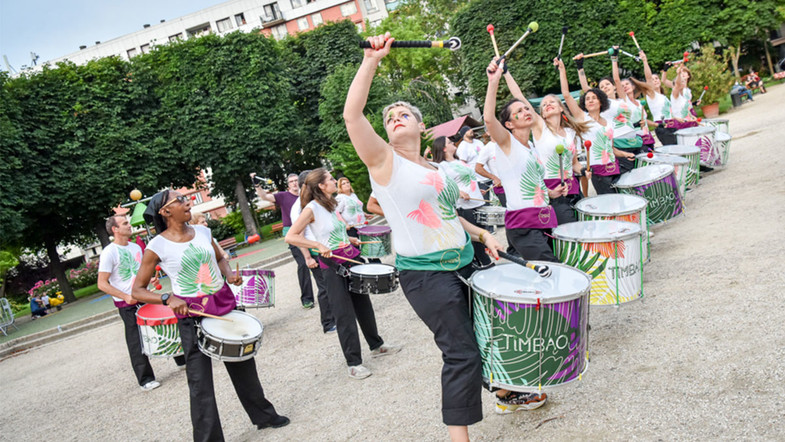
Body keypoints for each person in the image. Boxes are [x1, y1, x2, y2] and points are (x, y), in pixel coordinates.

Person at [344, 33, 525, 442]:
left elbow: (450, 216)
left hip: (465, 262)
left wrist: (483, 235)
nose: (394, 117)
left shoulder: (437, 171)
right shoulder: (383, 162)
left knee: (485, 333)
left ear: (422, 127)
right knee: (459, 351)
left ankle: (503, 390)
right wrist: (372, 60)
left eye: (404, 113)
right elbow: (353, 117)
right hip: (426, 276)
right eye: (389, 115)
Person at [132, 190, 289, 441]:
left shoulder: (203, 232)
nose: (187, 202)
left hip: (222, 301)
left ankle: (264, 416)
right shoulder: (156, 245)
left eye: (186, 198)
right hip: (191, 314)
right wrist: (167, 298)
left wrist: (229, 274)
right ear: (165, 211)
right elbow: (137, 290)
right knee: (199, 381)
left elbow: (219, 258)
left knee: (243, 362)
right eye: (180, 200)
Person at [285, 168, 401, 379]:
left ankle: (377, 345)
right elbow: (291, 236)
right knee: (344, 313)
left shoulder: (330, 204)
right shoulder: (311, 208)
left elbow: (335, 231)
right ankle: (353, 363)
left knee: (363, 305)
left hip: (351, 257)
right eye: (330, 179)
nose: (334, 181)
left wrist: (350, 239)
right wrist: (316, 246)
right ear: (321, 185)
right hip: (332, 265)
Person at [484, 57, 565, 262]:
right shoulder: (506, 143)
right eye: (518, 111)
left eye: (527, 108)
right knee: (553, 271)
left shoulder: (532, 148)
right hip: (523, 226)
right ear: (509, 124)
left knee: (550, 274)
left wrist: (550, 192)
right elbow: (488, 119)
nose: (526, 111)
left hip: (544, 218)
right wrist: (493, 83)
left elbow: (531, 184)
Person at [98, 215, 186, 392]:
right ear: (115, 229)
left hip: (145, 295)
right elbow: (102, 283)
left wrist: (149, 280)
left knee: (167, 322)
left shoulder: (136, 247)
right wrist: (125, 296)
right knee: (135, 340)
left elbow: (140, 271)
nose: (129, 226)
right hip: (127, 303)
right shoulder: (109, 252)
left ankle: (181, 358)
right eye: (125, 224)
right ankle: (145, 379)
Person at [502, 68, 589, 222]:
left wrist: (584, 171)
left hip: (573, 188)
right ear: (541, 114)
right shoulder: (540, 127)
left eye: (551, 102)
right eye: (544, 105)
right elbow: (520, 97)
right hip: (553, 189)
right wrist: (506, 72)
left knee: (584, 228)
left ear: (561, 108)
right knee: (569, 233)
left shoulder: (570, 133)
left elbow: (574, 163)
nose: (547, 104)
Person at [559, 57, 626, 194]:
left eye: (593, 98)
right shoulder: (583, 117)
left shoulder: (608, 122)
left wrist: (626, 154)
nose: (590, 100)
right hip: (599, 171)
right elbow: (566, 95)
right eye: (587, 99)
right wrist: (562, 69)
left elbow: (611, 148)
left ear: (601, 101)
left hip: (614, 166)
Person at [254, 173, 315, 309]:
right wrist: (256, 185)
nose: (294, 183)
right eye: (291, 181)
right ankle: (307, 298)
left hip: (309, 231)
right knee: (303, 264)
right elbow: (264, 196)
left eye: (295, 181)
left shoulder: (306, 195)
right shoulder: (283, 196)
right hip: (292, 233)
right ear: (288, 184)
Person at [431, 136, 493, 268]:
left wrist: (477, 189)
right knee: (476, 238)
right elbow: (443, 184)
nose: (453, 143)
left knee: (483, 233)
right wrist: (459, 192)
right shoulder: (442, 166)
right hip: (465, 206)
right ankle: (486, 264)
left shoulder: (459, 161)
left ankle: (482, 262)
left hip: (477, 201)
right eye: (449, 142)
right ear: (444, 148)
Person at [290, 170, 335, 334]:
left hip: (323, 251)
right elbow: (298, 234)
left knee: (329, 287)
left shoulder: (314, 203)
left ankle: (334, 317)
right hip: (315, 253)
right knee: (324, 288)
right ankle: (328, 322)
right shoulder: (301, 207)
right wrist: (308, 257)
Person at [474, 133, 507, 207]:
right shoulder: (487, 148)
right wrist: (494, 178)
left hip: (515, 184)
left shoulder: (506, 144)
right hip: (501, 187)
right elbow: (478, 168)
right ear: (488, 132)